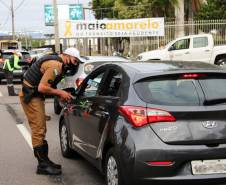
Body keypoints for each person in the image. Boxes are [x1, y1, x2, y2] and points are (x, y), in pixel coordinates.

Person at [19, 48, 80, 175]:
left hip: (34, 95)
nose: (75, 64)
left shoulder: (57, 62)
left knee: (41, 128)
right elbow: (42, 87)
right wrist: (60, 92)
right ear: (67, 56)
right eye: (75, 60)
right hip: (31, 96)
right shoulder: (55, 65)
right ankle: (42, 165)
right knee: (38, 129)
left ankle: (45, 161)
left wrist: (62, 92)